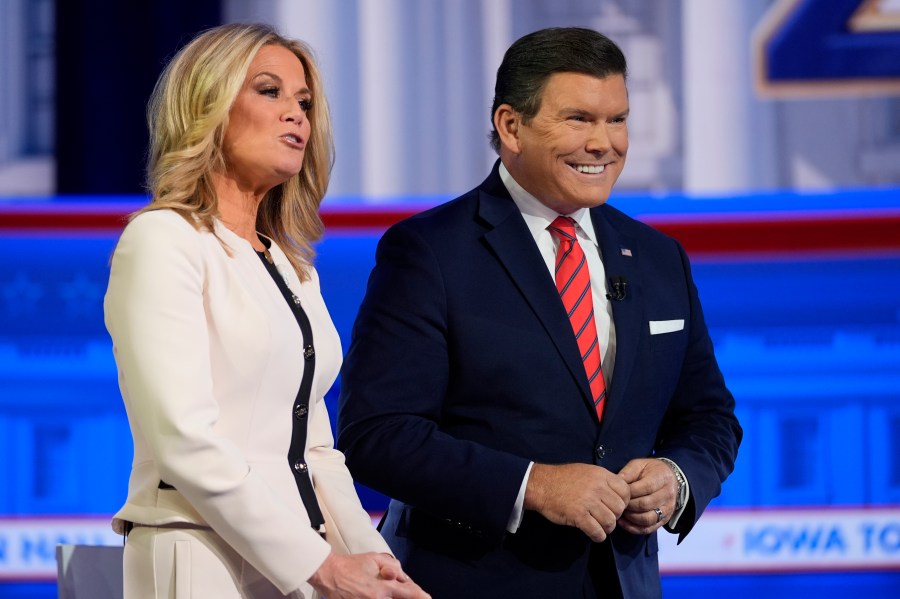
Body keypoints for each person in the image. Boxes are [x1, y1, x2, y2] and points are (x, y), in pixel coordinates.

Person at [337, 27, 742, 598]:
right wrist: (532, 486)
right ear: (511, 126)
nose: (604, 143)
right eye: (579, 119)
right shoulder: (430, 251)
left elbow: (709, 417)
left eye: (617, 120)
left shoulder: (657, 257)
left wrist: (677, 479)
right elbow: (377, 434)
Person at [104, 23, 429, 599]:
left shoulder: (290, 264)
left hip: (297, 561)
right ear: (207, 106)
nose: (297, 115)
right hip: (198, 552)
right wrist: (320, 565)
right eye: (269, 91)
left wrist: (373, 560)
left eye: (304, 102)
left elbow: (312, 445)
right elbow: (182, 437)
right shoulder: (163, 240)